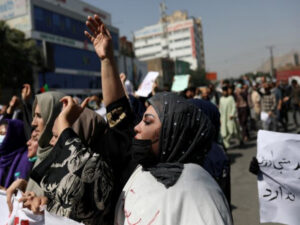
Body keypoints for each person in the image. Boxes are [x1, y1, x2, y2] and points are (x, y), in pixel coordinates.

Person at [84, 15, 232, 225]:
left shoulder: (200, 194)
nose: (136, 127)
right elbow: (117, 112)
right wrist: (107, 59)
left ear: (172, 134)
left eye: (148, 121)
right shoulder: (137, 166)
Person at [28, 105, 113, 224]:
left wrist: (63, 119)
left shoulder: (98, 172)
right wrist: (43, 205)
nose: (51, 142)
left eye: (57, 136)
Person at [0, 119, 33, 189]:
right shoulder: (3, 158)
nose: (1, 137)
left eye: (4, 134)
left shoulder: (26, 158)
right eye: (0, 133)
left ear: (13, 136)